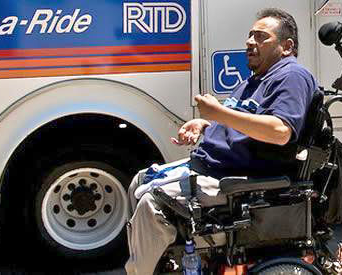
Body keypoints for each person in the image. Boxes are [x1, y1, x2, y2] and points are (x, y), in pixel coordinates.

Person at [124, 8, 318, 275]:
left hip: (237, 176)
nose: (250, 42)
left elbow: (280, 131)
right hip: (210, 166)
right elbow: (239, 121)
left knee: (151, 203)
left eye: (261, 37)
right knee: (140, 180)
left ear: (287, 46)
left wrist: (219, 113)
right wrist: (206, 124)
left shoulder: (291, 76)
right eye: (250, 36)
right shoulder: (255, 79)